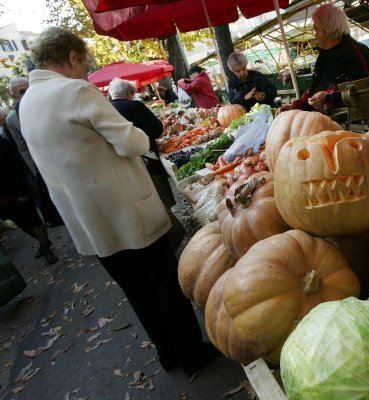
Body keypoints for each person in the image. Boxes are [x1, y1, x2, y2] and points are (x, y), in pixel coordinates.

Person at [19, 27, 216, 375]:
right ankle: (191, 353)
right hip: (127, 213)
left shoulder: (28, 103)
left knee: (137, 291)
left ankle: (167, 353)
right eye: (85, 64)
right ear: (72, 57)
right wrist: (138, 133)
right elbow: (133, 143)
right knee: (164, 284)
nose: (86, 73)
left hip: (90, 223)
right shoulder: (75, 91)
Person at [108, 77, 185, 252]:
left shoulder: (108, 110)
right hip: (148, 159)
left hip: (126, 165)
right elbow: (157, 129)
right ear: (129, 93)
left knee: (145, 203)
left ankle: (163, 239)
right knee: (160, 199)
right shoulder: (134, 106)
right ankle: (172, 237)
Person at [279, 4, 369, 114]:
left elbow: (364, 92)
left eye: (316, 30)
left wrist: (328, 98)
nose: (315, 36)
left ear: (326, 31)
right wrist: (295, 106)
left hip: (359, 123)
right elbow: (313, 92)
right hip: (332, 121)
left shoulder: (355, 53)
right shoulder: (324, 56)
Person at [5, 77, 64, 229]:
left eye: (29, 88)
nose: (27, 93)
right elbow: (22, 147)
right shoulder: (12, 119)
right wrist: (35, 169)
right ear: (13, 96)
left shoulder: (47, 103)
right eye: (22, 91)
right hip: (43, 165)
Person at [0, 134, 57, 264]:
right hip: (3, 197)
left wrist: (23, 191)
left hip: (16, 188)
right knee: (21, 223)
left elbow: (17, 167)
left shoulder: (3, 143)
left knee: (33, 218)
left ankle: (47, 250)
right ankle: (43, 242)